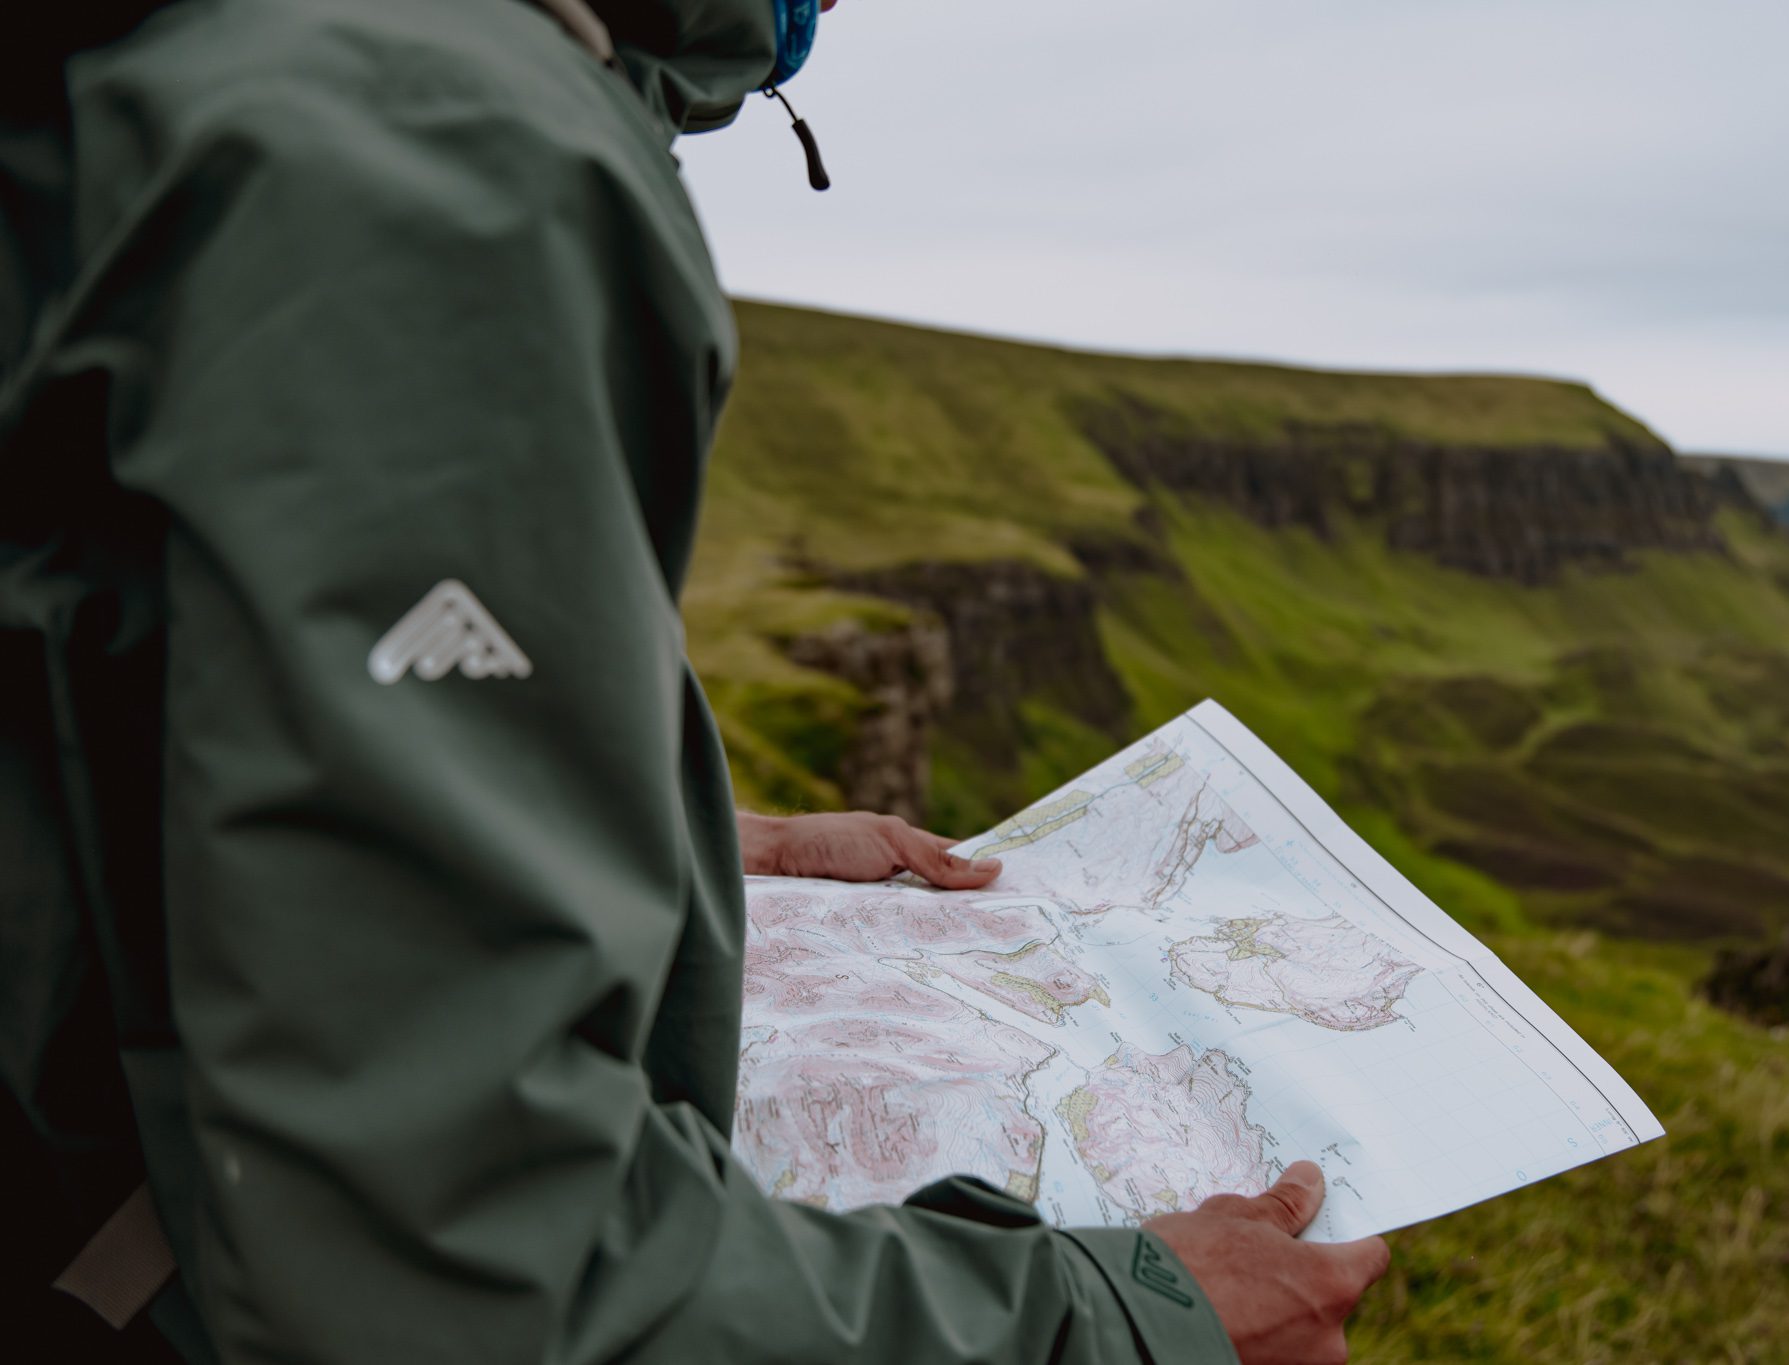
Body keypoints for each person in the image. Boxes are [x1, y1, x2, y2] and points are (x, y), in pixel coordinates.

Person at [0, 1, 1392, 1361]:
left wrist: (683, 849)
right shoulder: (432, 147)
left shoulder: (222, 59)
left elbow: (127, 738)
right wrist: (1121, 1317)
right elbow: (471, 1268)